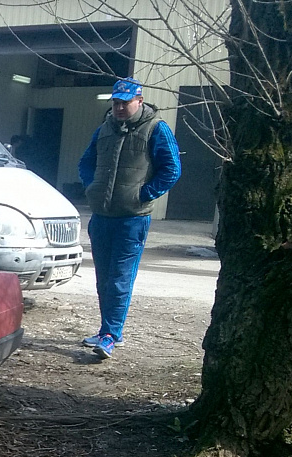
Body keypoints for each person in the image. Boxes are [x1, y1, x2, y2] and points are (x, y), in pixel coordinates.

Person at [77, 77, 181, 359]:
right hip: (102, 216)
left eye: (125, 102)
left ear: (140, 101)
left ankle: (111, 334)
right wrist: (92, 187)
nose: (120, 108)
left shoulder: (156, 129)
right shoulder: (104, 130)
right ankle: (106, 330)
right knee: (103, 278)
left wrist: (144, 194)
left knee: (120, 278)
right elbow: (86, 162)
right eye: (116, 103)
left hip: (132, 218)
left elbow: (171, 169)